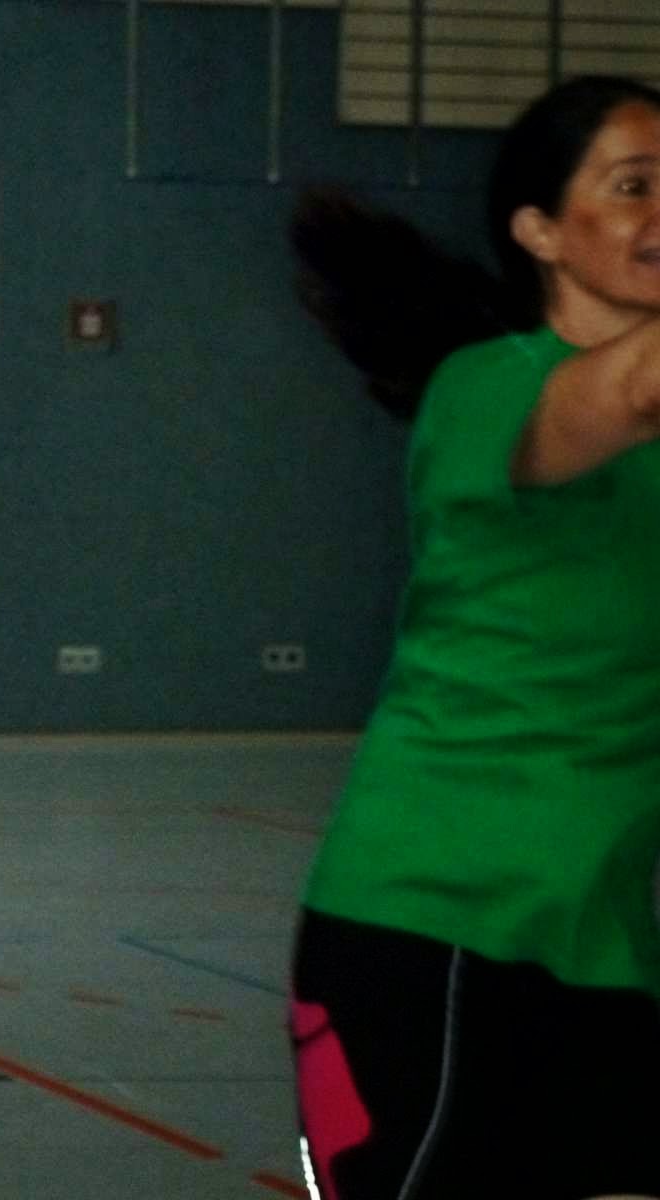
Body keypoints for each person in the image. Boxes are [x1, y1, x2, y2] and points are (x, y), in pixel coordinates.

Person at [290, 75, 660, 1199]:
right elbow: (636, 389)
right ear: (539, 231)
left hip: (596, 934)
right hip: (431, 919)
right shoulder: (484, 389)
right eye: (634, 187)